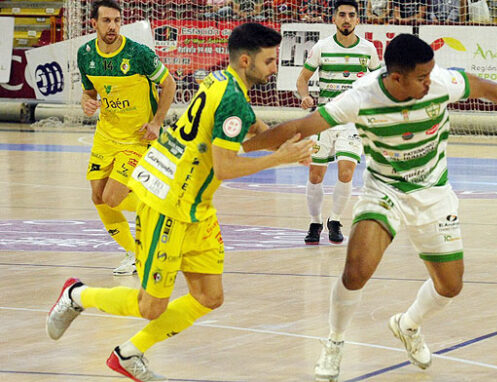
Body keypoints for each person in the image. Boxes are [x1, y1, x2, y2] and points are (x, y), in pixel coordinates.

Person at [241, 33, 497, 381]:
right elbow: (301, 127)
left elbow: (483, 87)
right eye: (421, 78)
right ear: (396, 78)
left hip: (434, 193)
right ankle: (334, 342)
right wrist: (241, 148)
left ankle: (408, 325)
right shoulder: (361, 97)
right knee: (355, 271)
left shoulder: (440, 81)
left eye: (430, 74)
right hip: (385, 189)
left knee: (451, 286)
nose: (429, 81)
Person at [46, 23, 314, 382]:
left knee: (209, 295)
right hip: (167, 202)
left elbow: (252, 131)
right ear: (247, 60)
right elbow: (226, 165)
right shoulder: (231, 96)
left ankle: (129, 354)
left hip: (194, 206)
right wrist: (279, 158)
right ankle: (77, 295)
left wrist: (289, 140)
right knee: (150, 307)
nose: (275, 68)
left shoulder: (221, 81)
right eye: (269, 61)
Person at [78, 0, 177, 276]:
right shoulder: (85, 55)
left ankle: (163, 209)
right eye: (107, 21)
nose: (113, 26)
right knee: (97, 197)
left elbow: (169, 84)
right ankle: (135, 254)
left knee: (112, 197)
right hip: (106, 136)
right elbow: (90, 93)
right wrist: (86, 102)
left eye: (117, 21)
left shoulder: (138, 54)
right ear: (94, 23)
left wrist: (157, 122)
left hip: (137, 138)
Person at [297, 0, 381, 245]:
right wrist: (304, 96)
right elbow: (303, 78)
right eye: (342, 15)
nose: (346, 19)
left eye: (351, 15)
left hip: (353, 120)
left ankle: (335, 220)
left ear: (358, 20)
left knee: (346, 172)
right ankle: (314, 222)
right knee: (315, 175)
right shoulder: (321, 47)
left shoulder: (368, 49)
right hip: (324, 118)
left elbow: (378, 82)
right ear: (334, 19)